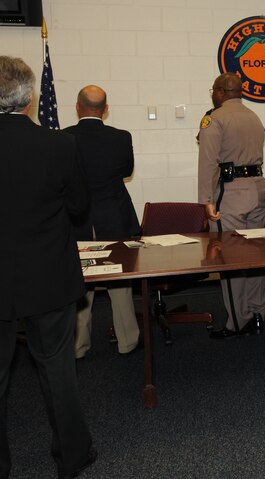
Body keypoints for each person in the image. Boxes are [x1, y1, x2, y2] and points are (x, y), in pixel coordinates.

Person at [0, 55, 97, 478]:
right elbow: (78, 208)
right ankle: (72, 458)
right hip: (49, 277)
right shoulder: (60, 145)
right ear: (29, 97)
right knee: (58, 371)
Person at [66, 85, 142, 358]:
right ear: (106, 109)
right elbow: (126, 171)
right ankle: (127, 341)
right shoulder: (121, 137)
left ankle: (78, 345)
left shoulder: (63, 139)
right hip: (114, 216)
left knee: (80, 281)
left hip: (78, 219)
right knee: (120, 280)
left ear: (77, 106)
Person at [198, 72, 265, 338]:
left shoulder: (214, 119)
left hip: (231, 194)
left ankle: (237, 322)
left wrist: (206, 199)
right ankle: (257, 314)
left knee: (230, 257)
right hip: (259, 189)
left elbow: (207, 163)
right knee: (256, 256)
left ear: (219, 92)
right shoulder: (254, 116)